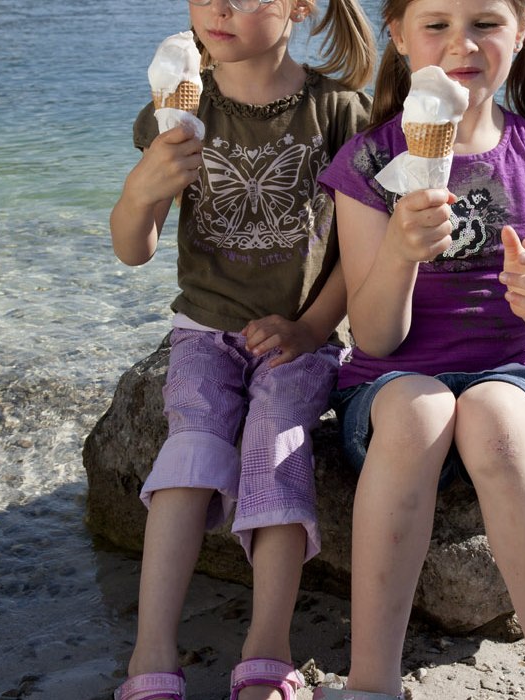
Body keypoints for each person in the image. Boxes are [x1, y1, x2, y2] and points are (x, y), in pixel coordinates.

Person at [315, 1, 525, 699]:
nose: (461, 42)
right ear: (396, 38)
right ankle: (371, 683)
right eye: (435, 24)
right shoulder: (368, 162)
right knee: (421, 411)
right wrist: (399, 253)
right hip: (392, 377)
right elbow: (372, 337)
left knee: (493, 418)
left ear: (521, 30)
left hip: (509, 372)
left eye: (485, 22)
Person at [109, 1, 374, 699]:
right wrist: (140, 191)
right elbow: (133, 249)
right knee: (190, 447)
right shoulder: (179, 105)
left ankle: (266, 646)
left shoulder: (341, 110)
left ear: (299, 7)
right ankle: (151, 653)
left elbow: (360, 250)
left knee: (276, 442)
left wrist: (313, 328)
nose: (218, 11)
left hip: (298, 337)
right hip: (204, 328)